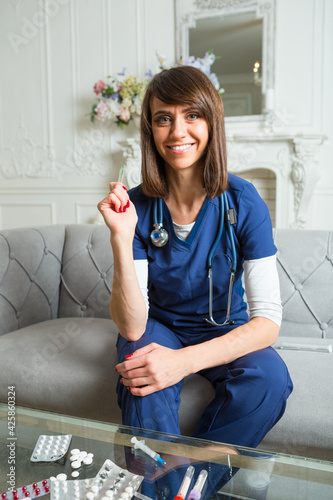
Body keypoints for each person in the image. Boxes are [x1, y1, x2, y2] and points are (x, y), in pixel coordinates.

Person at [97, 65, 293, 495]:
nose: (177, 131)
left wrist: (183, 362)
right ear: (150, 129)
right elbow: (131, 325)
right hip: (159, 326)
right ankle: (166, 490)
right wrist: (121, 236)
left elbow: (268, 322)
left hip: (224, 328)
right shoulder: (134, 205)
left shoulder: (243, 202)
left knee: (271, 379)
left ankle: (189, 487)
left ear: (212, 122)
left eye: (192, 115)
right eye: (163, 118)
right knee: (140, 361)